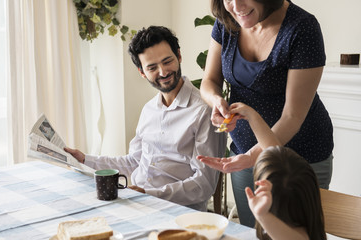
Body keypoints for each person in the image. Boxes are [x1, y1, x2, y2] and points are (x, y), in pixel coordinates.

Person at [199, 0, 333, 227]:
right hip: (244, 155)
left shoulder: (302, 28)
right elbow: (209, 81)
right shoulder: (227, 21)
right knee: (252, 232)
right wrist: (216, 101)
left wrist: (253, 156)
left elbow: (293, 116)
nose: (236, 6)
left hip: (299, 158)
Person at [65, 26, 226, 211]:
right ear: (142, 72)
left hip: (177, 211)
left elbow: (203, 185)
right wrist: (85, 159)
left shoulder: (204, 111)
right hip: (136, 201)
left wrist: (148, 194)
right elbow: (133, 162)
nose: (163, 72)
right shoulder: (149, 109)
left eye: (167, 61)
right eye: (152, 67)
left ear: (179, 56)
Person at [198, 102, 326, 240]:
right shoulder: (305, 217)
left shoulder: (301, 236)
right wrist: (252, 116)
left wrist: (263, 216)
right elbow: (274, 153)